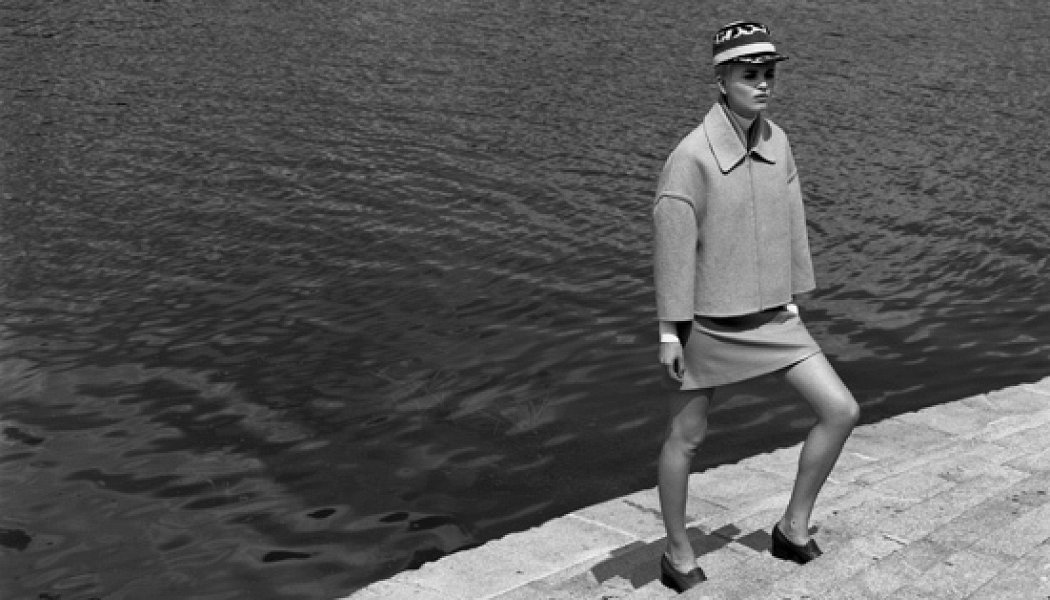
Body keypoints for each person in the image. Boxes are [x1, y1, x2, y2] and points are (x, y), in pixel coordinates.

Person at [651, 20, 860, 592]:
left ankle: (792, 527)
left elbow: (791, 226)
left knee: (840, 410)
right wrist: (669, 332)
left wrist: (792, 300)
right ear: (721, 80)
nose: (763, 83)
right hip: (706, 324)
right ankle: (677, 553)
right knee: (686, 439)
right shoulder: (690, 157)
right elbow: (672, 251)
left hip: (773, 316)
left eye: (768, 73)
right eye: (749, 74)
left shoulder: (779, 140)